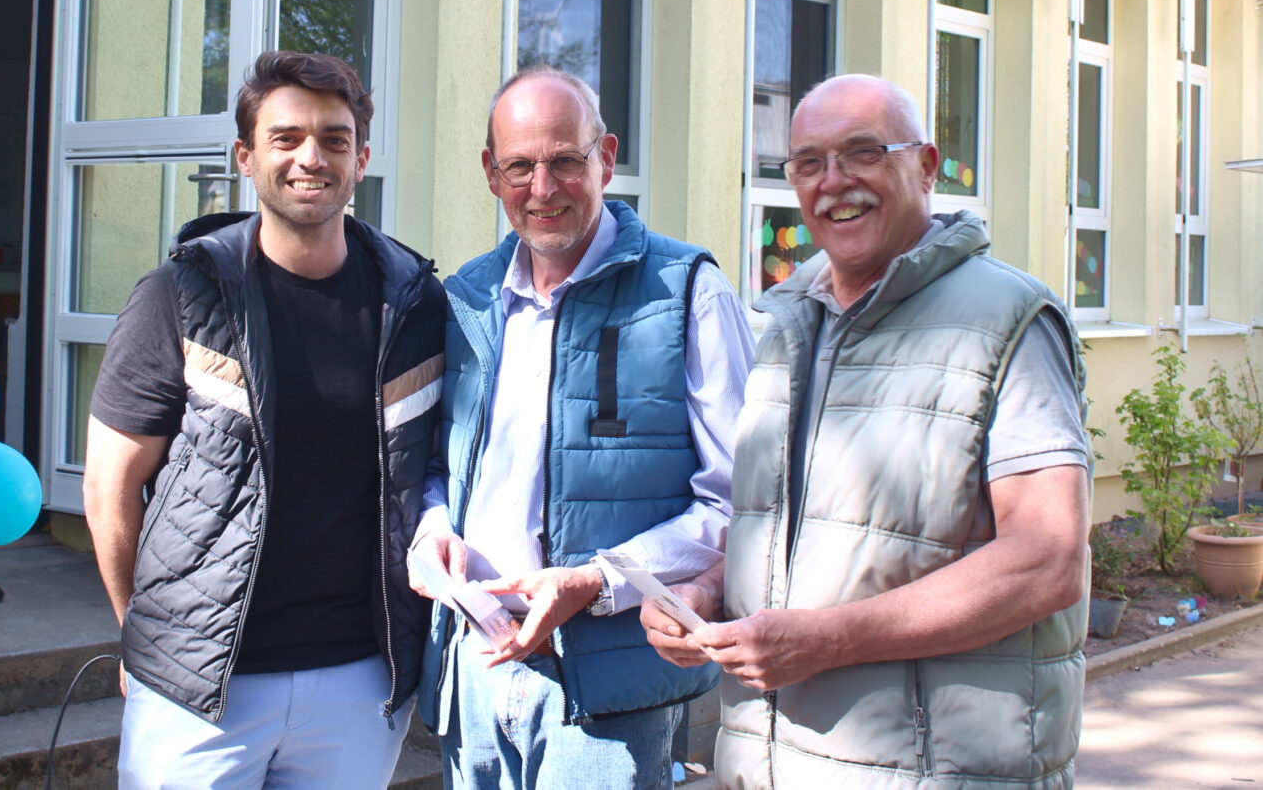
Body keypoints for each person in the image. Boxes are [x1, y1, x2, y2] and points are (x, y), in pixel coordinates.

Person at [642, 73, 1092, 790]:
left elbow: (1047, 559)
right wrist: (703, 593)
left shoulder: (1008, 320)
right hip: (774, 762)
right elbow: (789, 531)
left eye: (862, 152)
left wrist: (828, 639)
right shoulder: (786, 326)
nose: (834, 181)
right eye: (809, 162)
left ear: (927, 164)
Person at [83, 51, 446, 790]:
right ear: (246, 157)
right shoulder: (181, 295)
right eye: (286, 137)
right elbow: (109, 486)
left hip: (358, 682)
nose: (310, 157)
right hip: (200, 685)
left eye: (334, 139)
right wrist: (144, 639)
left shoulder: (414, 304)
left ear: (362, 158)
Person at [409, 66, 754, 790]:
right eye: (520, 166)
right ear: (489, 172)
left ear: (606, 156)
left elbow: (739, 505)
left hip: (606, 688)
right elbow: (444, 463)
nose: (543, 188)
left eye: (566, 160)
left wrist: (597, 582)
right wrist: (430, 524)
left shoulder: (688, 291)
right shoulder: (467, 297)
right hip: (474, 666)